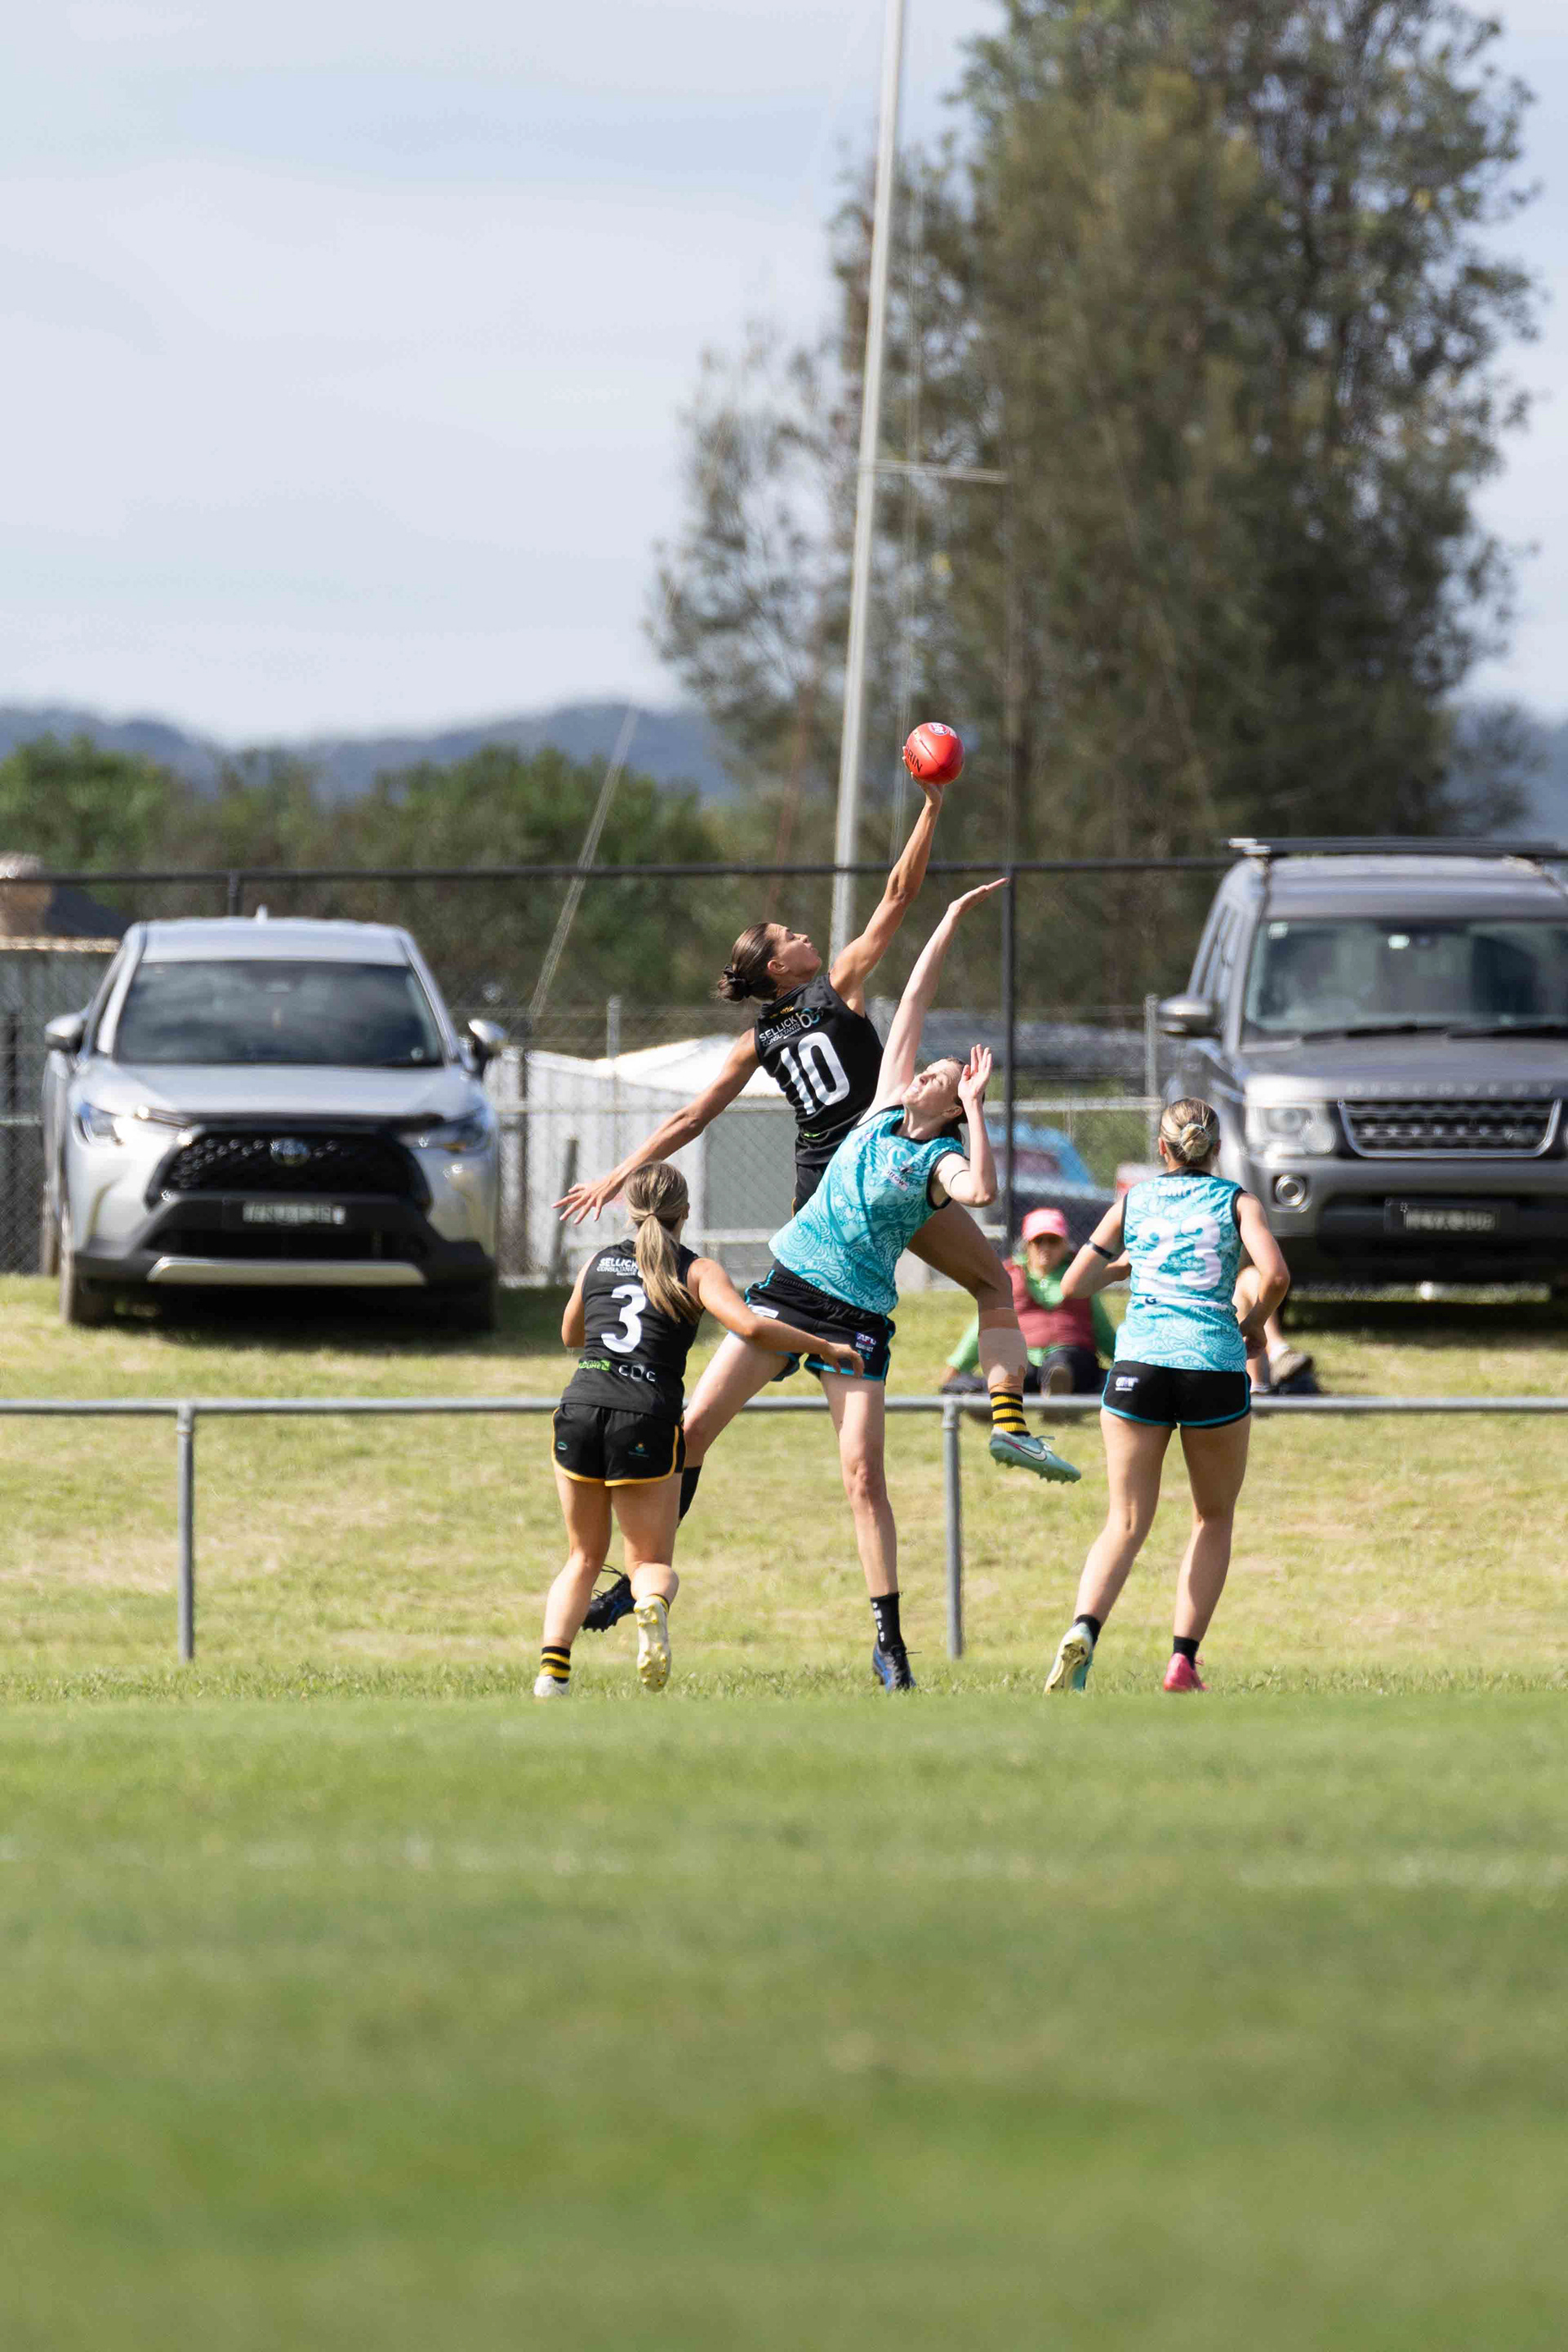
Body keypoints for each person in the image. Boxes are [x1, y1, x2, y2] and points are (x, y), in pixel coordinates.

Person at [558, 759, 1055, 1628]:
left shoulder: (757, 1040)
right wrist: (930, 809)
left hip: (819, 1194)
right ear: (779, 969)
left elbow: (690, 1117)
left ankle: (639, 1574)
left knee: (698, 1430)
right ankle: (1007, 1418)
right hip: (882, 1167)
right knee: (990, 1283)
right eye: (787, 936)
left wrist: (618, 1173)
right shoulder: (837, 988)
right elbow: (897, 896)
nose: (801, 935)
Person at [656, 882, 1079, 1695]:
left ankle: (890, 1646)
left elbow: (985, 1190)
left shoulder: (937, 1161)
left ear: (947, 1105)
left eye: (938, 1077)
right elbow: (913, 996)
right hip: (789, 1293)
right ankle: (644, 1579)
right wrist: (947, 920)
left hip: (855, 1323)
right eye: (928, 1069)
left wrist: (977, 1109)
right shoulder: (881, 1106)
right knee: (689, 1433)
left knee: (863, 1480)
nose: (923, 1072)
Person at [536, 1161, 862, 1700]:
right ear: (684, 1212)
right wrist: (824, 1345)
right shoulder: (696, 1271)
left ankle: (553, 1673)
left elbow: (572, 1333)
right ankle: (649, 1604)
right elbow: (752, 1326)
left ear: (630, 1211)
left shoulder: (597, 1261)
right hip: (645, 1417)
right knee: (649, 1564)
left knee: (583, 1557)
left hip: (581, 1409)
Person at [1041, 1098, 1289, 1696]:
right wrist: (1256, 1324)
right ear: (1218, 1149)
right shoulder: (1238, 1202)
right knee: (1213, 1516)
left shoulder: (1134, 1201)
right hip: (1212, 1367)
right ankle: (1182, 1662)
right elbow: (1276, 1275)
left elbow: (1072, 1283)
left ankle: (1084, 1628)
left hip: (1139, 1367)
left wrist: (1128, 1267)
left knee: (1125, 1520)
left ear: (1161, 1148)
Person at [942, 1206, 1114, 1396]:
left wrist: (1125, 1362)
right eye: (1038, 1241)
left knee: (1064, 1362)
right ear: (1027, 1245)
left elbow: (1102, 1330)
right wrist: (957, 1366)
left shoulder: (1081, 1276)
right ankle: (1004, 1392)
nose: (1046, 1248)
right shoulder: (1008, 1278)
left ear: (1065, 1245)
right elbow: (984, 1326)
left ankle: (1057, 1383)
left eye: (1053, 1241)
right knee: (1011, 1368)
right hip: (1024, 1358)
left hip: (1074, 1358)